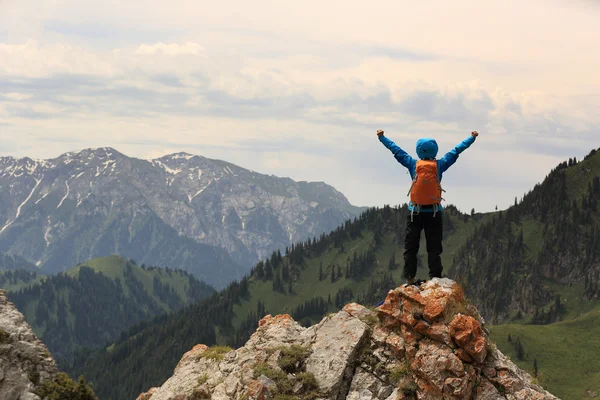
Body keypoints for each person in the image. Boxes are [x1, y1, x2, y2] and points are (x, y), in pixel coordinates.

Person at [377, 129, 479, 285]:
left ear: (419, 150)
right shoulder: (440, 165)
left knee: (411, 247)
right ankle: (436, 279)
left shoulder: (413, 164)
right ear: (435, 150)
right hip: (434, 213)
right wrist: (471, 138)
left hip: (414, 212)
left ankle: (410, 278)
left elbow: (396, 150)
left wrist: (382, 137)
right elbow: (457, 150)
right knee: (434, 248)